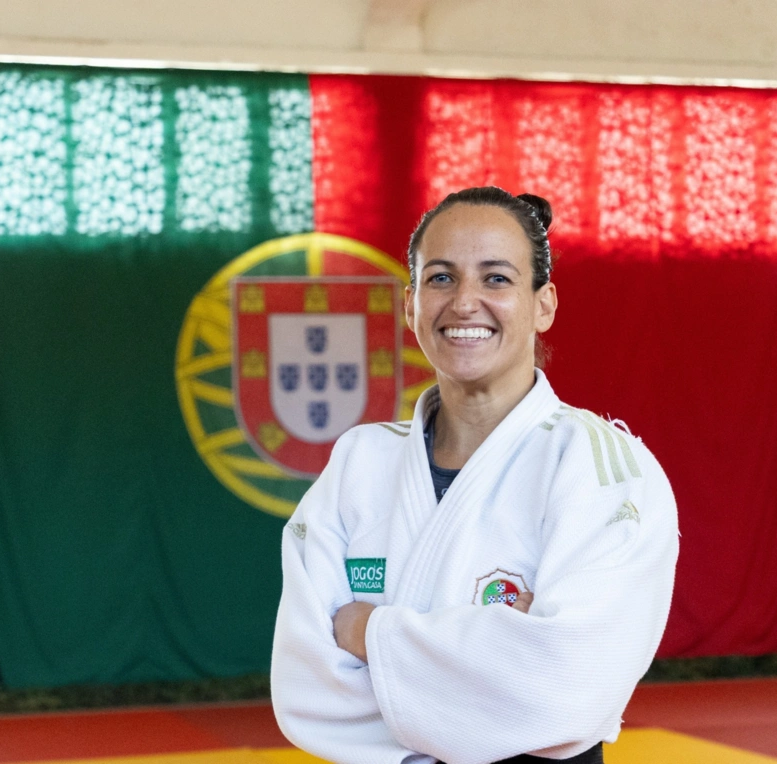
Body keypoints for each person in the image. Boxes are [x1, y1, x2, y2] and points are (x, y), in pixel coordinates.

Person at [269, 187, 679, 764]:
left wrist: (368, 631)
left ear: (544, 304)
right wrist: (492, 658)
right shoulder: (359, 462)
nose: (464, 302)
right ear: (410, 304)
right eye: (440, 278)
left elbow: (566, 686)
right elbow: (307, 693)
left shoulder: (599, 465)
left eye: (496, 278)